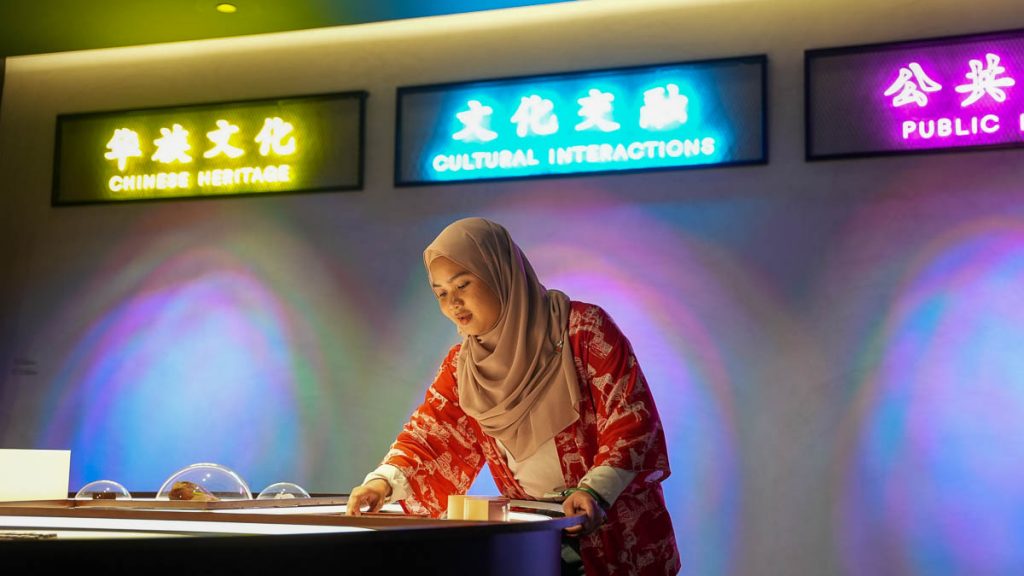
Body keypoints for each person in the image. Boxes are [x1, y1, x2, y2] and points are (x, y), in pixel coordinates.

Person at [347, 217, 680, 575]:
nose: (453, 303)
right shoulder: (463, 367)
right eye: (441, 293)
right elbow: (433, 435)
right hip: (534, 543)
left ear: (499, 273)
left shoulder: (582, 330)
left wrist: (595, 493)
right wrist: (382, 483)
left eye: (463, 284)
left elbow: (629, 419)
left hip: (616, 536)